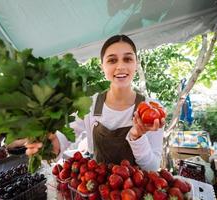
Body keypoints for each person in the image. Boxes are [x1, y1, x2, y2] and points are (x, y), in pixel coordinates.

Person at [26, 35, 165, 171]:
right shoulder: (90, 104)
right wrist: (51, 144)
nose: (120, 66)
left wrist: (137, 137)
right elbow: (65, 136)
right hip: (96, 191)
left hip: (136, 192)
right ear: (102, 67)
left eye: (128, 59)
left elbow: (152, 168)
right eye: (112, 60)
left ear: (136, 63)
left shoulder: (151, 109)